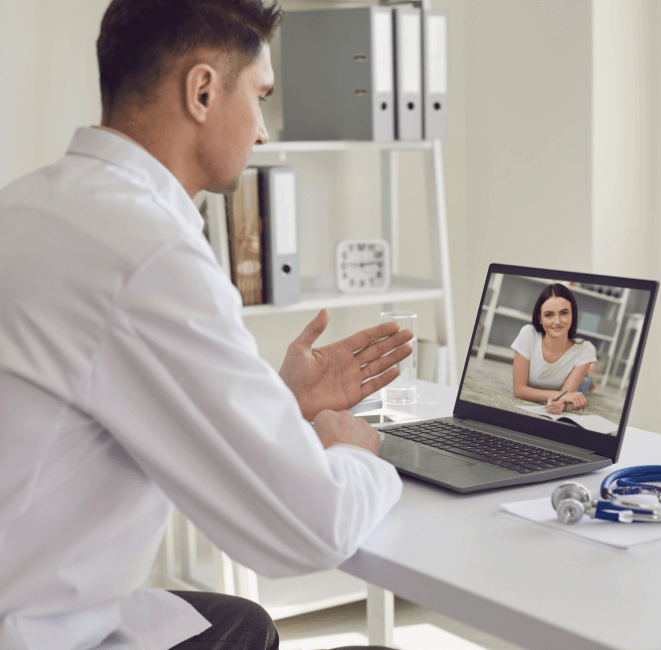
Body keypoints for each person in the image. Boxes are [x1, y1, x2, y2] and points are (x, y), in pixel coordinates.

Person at [0, 2, 407, 649]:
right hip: (35, 627)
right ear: (202, 91)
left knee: (240, 624)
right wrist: (355, 450)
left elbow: (108, 399)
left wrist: (278, 404)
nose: (264, 133)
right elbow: (309, 531)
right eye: (260, 96)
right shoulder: (147, 252)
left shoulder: (29, 204)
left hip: (25, 586)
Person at [511, 283, 597, 415]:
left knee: (584, 385)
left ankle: (589, 372)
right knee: (576, 393)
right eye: (549, 315)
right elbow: (519, 390)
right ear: (540, 318)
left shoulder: (586, 349)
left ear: (572, 315)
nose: (557, 322)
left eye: (564, 313)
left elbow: (565, 398)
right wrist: (560, 396)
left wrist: (561, 404)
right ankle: (589, 369)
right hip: (560, 387)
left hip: (578, 372)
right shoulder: (528, 334)